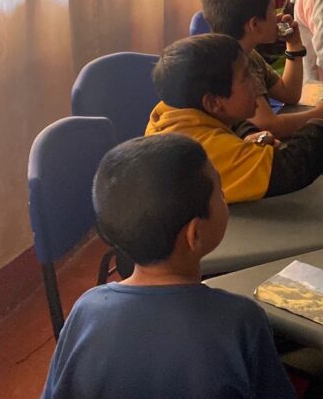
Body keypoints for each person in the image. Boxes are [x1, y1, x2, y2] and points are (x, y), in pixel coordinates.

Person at [41, 134, 296, 399]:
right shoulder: (241, 321)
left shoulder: (85, 311)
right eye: (219, 193)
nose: (223, 198)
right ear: (194, 234)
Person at [147, 34, 323, 202]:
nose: (255, 82)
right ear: (214, 102)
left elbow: (232, 124)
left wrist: (252, 135)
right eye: (245, 77)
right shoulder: (199, 153)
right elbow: (291, 168)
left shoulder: (173, 113)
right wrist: (321, 129)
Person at [202, 0, 323, 138]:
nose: (278, 13)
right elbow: (268, 126)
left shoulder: (248, 54)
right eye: (271, 9)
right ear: (254, 25)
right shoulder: (232, 66)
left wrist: (294, 45)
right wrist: (321, 115)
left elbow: (289, 94)